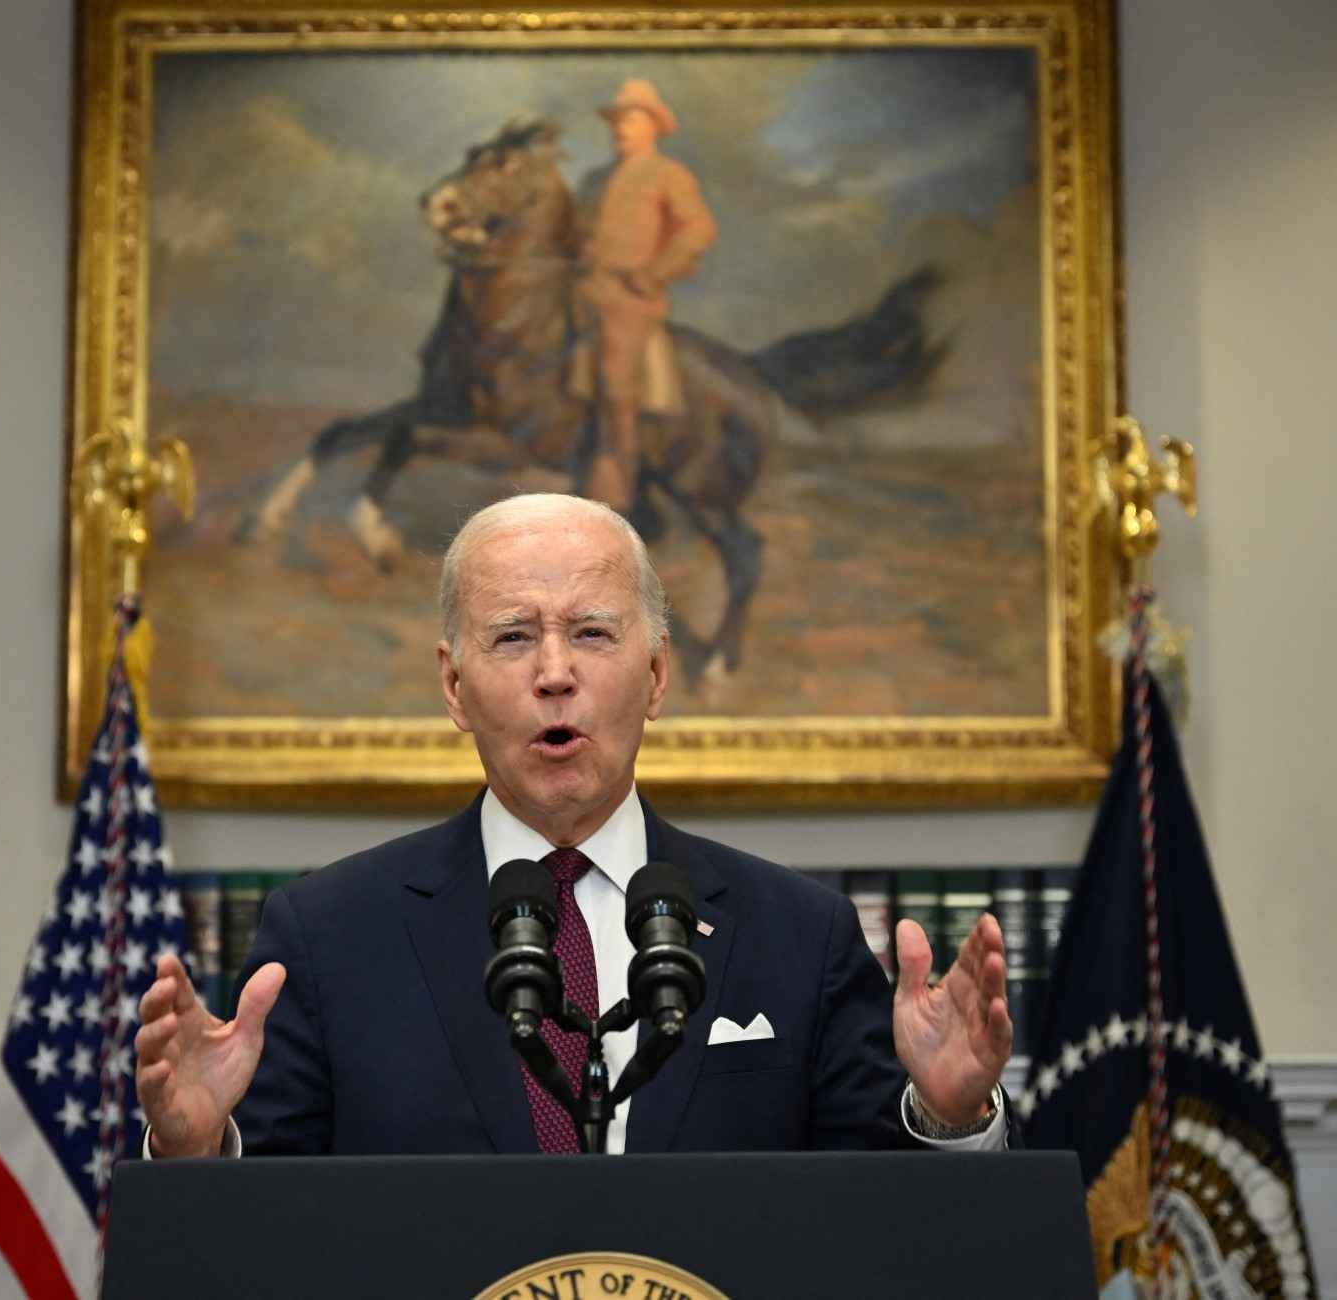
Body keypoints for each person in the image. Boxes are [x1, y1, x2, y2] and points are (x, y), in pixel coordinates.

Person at [136, 493, 1014, 1157]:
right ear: (453, 687)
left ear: (659, 675)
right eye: (513, 638)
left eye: (592, 633)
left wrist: (948, 1113)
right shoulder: (327, 938)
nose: (555, 673)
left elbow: (883, 1236)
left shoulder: (800, 935)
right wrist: (197, 1152)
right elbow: (262, 1240)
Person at [570, 80, 718, 518]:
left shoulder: (668, 175)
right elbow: (574, 233)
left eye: (631, 118)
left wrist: (654, 273)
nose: (620, 127)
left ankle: (617, 487)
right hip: (582, 290)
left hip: (629, 299)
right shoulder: (594, 180)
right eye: (616, 120)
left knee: (616, 380)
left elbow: (698, 230)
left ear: (654, 125)